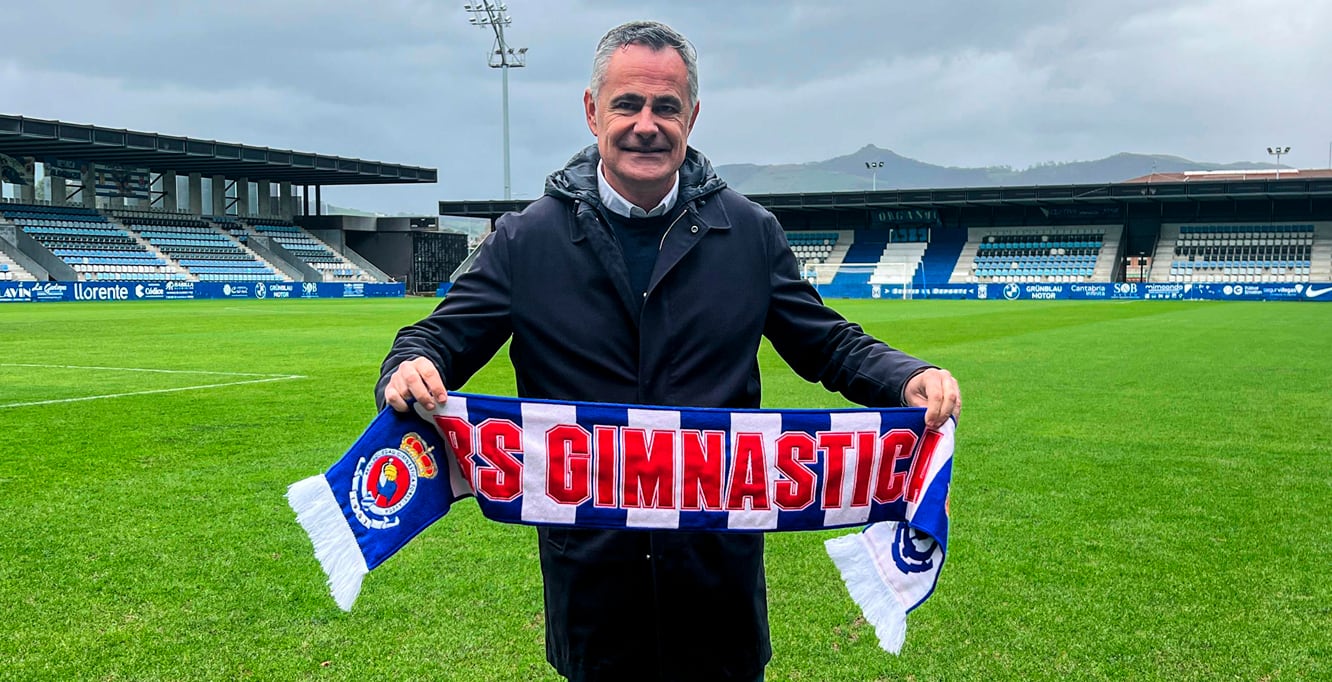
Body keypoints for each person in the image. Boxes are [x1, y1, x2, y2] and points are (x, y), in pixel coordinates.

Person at [378, 20, 961, 682]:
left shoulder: (747, 232)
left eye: (666, 106)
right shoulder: (526, 241)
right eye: (627, 104)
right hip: (592, 592)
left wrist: (906, 377)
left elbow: (826, 342)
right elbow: (437, 338)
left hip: (719, 589)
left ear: (694, 115)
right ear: (593, 110)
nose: (646, 125)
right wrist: (410, 366)